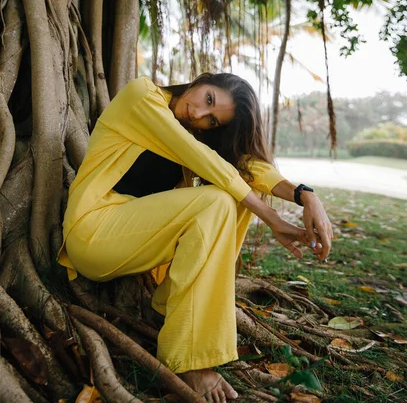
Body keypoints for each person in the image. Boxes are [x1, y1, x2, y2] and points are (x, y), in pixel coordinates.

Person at [58, 73, 332, 402]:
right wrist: (270, 216)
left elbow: (249, 169)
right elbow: (202, 159)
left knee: (230, 196)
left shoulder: (194, 134)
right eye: (209, 99)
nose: (199, 114)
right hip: (90, 233)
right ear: (201, 80)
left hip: (128, 245)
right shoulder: (142, 96)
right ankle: (189, 360)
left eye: (212, 118)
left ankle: (172, 302)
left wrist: (306, 196)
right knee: (219, 199)